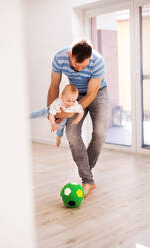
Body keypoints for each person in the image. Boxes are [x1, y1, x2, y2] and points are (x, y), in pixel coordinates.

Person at [47, 39, 109, 197]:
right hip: (73, 96)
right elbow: (54, 85)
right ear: (70, 55)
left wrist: (71, 112)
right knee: (72, 133)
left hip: (97, 94)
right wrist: (52, 113)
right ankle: (88, 179)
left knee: (100, 133)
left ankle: (86, 172)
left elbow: (91, 94)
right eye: (76, 66)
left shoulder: (97, 61)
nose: (80, 69)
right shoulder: (59, 57)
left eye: (84, 66)